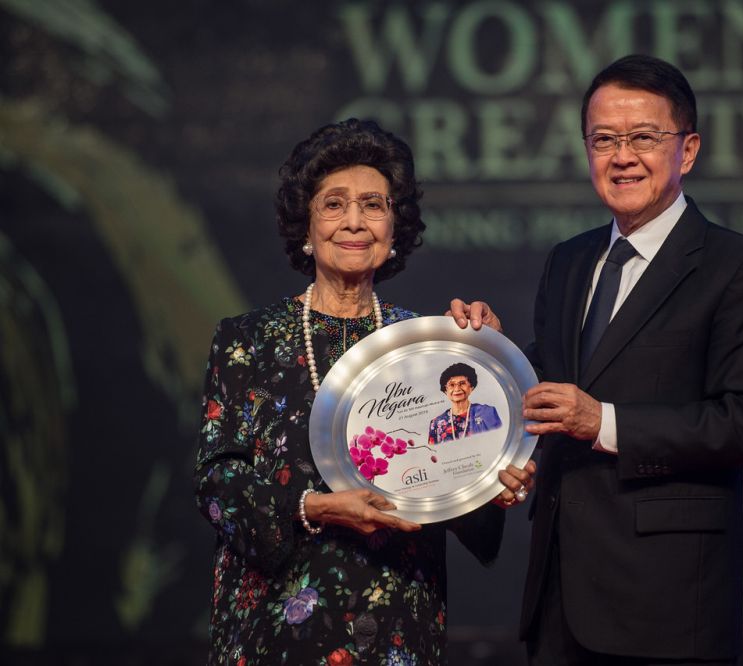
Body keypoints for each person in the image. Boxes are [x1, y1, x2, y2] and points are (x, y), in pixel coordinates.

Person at [451, 54, 743, 664]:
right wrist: (491, 355)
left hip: (665, 604)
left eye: (643, 137)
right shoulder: (568, 260)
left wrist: (603, 422)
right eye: (604, 139)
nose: (622, 155)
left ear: (687, 151)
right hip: (559, 598)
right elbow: (549, 388)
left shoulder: (740, 268)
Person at [194, 118, 535, 666]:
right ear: (305, 228)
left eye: (374, 205)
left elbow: (455, 488)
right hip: (278, 628)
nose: (354, 221)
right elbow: (217, 484)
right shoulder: (247, 340)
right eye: (334, 204)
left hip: (399, 620)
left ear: (394, 230)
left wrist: (490, 480)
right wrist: (318, 507)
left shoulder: (427, 346)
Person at [428, 362, 503, 444]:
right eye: (452, 385)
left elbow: (500, 441)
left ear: (471, 387)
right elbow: (434, 454)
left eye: (462, 383)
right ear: (445, 391)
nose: (457, 389)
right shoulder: (436, 423)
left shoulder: (487, 413)